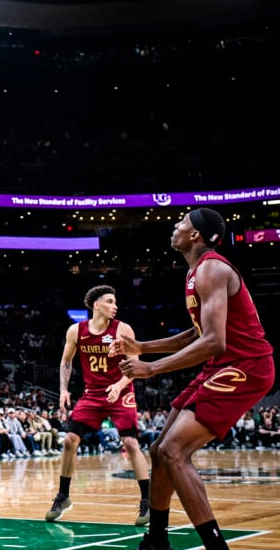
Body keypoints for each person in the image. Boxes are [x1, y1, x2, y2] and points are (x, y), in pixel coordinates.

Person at [112, 208, 275, 550]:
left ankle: (216, 546)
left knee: (173, 450)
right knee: (158, 450)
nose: (175, 225)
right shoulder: (196, 271)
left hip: (245, 365)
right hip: (221, 364)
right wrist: (143, 346)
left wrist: (152, 368)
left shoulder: (212, 268)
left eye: (182, 222)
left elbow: (215, 340)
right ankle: (157, 539)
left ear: (195, 235)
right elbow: (195, 332)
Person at [44, 285, 151, 526]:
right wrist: (63, 389)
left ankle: (147, 502)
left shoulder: (123, 329)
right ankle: (63, 497)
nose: (115, 306)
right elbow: (66, 362)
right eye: (110, 301)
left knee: (131, 442)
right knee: (70, 440)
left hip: (120, 391)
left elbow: (135, 365)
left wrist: (119, 384)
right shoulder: (76, 331)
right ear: (96, 305)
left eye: (115, 301)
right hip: (92, 394)